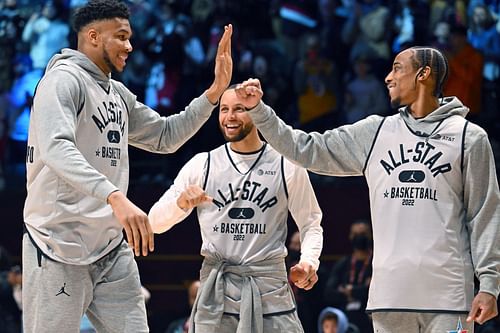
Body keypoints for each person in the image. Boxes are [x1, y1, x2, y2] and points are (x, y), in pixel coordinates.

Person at [236, 45, 500, 332]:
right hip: (389, 296)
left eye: (398, 68)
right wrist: (259, 112)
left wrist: (489, 284)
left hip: (449, 297)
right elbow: (307, 149)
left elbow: (484, 215)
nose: (388, 77)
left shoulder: (469, 137)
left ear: (424, 74)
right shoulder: (376, 133)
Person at [22, 0, 233, 332]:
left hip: (109, 248)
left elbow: (165, 135)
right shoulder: (61, 81)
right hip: (56, 246)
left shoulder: (116, 93)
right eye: (121, 36)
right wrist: (114, 197)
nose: (130, 46)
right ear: (93, 36)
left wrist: (214, 92)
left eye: (130, 37)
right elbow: (55, 147)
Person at [148, 85, 324, 333]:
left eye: (239, 109)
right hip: (217, 293)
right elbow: (154, 223)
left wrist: (308, 262)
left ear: (256, 111)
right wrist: (180, 204)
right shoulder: (202, 164)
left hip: (269, 291)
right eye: (224, 109)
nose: (229, 117)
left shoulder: (287, 164)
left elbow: (310, 222)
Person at [323, 220, 373, 332]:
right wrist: (361, 290)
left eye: (363, 234)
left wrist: (349, 291)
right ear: (350, 236)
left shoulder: (376, 263)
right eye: (356, 234)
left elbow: (375, 292)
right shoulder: (343, 263)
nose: (359, 237)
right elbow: (329, 293)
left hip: (370, 321)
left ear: (370, 235)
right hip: (345, 320)